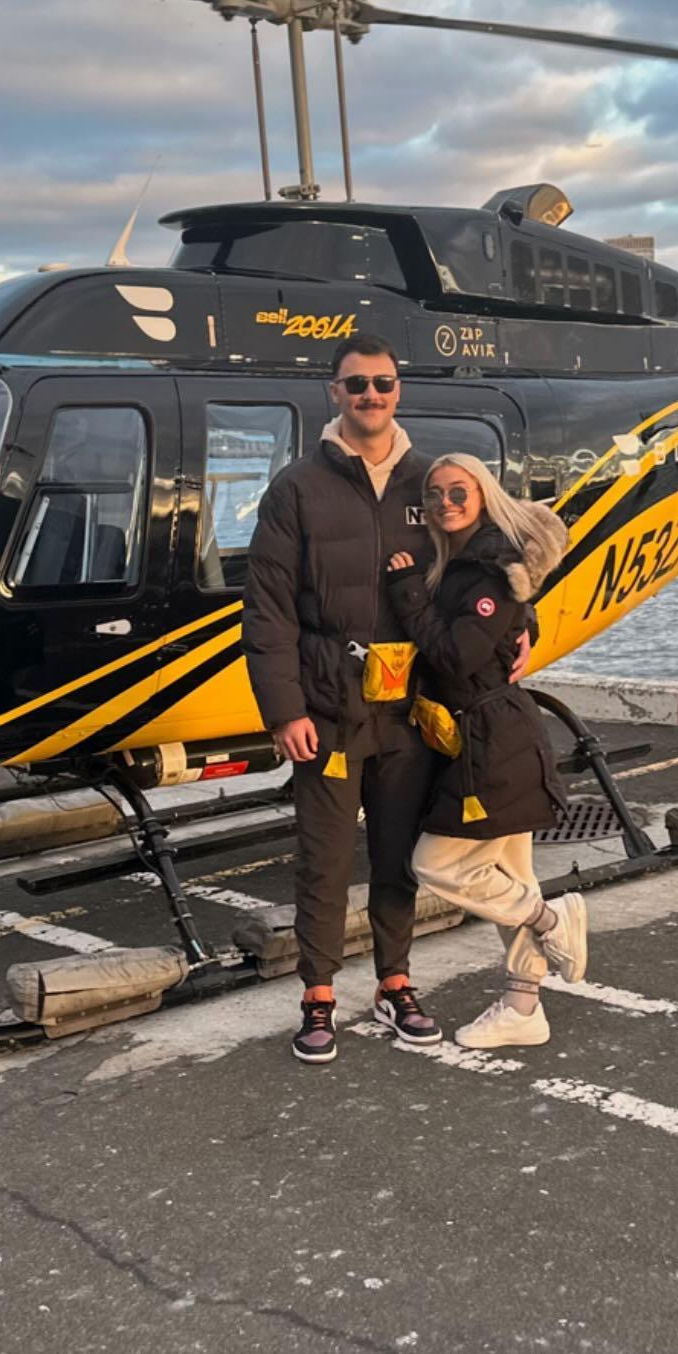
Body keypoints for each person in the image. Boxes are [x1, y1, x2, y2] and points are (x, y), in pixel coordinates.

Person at [242, 336, 447, 1064]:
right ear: (334, 393)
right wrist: (284, 709)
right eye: (356, 384)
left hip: (409, 708)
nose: (371, 395)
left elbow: (491, 566)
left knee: (397, 856)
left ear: (399, 388)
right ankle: (319, 994)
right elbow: (268, 610)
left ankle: (395, 981)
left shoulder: (434, 482)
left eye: (382, 383)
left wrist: (522, 628)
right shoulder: (296, 488)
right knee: (323, 858)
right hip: (328, 706)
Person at [386, 454, 588, 1050]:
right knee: (511, 873)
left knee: (437, 864)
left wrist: (405, 595)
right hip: (485, 733)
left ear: (484, 496)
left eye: (459, 492)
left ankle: (553, 920)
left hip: (493, 741)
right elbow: (501, 626)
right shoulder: (468, 564)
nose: (446, 502)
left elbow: (455, 657)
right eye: (436, 494)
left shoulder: (492, 568)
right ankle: (523, 1008)